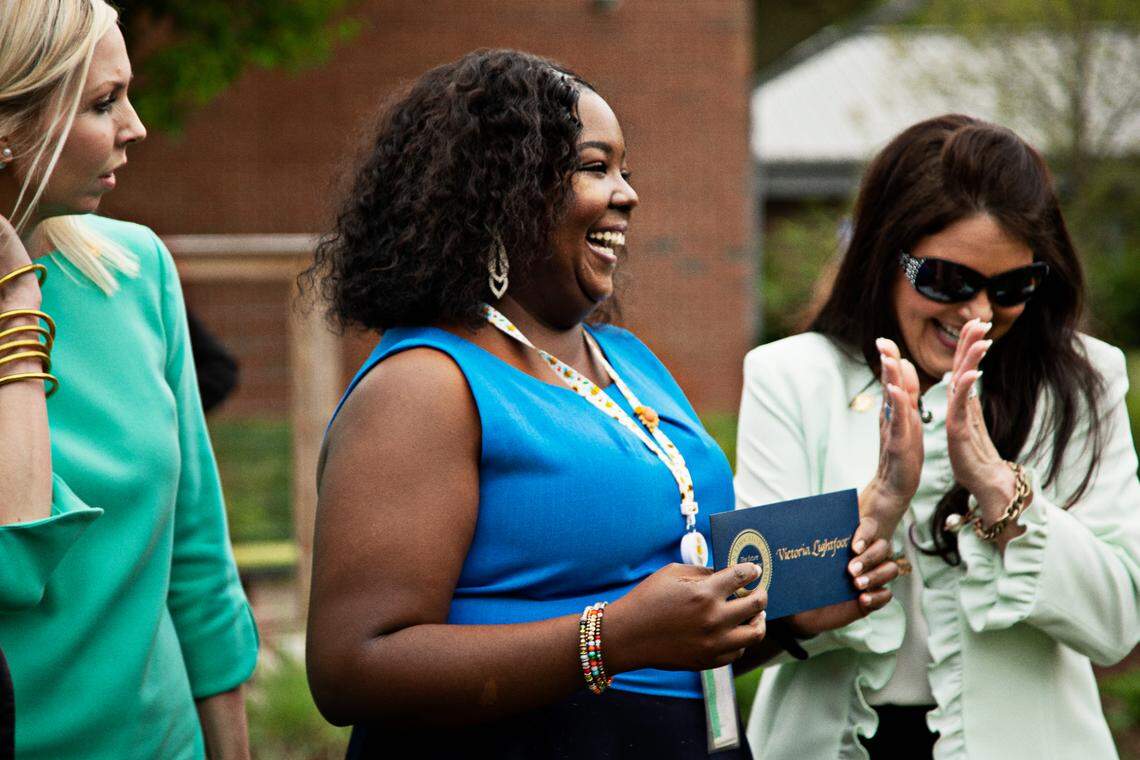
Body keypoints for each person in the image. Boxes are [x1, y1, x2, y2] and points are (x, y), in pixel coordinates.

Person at [303, 49, 903, 759]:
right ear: (502, 189)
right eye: (595, 167)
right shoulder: (426, 384)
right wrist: (609, 638)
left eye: (625, 170)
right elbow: (351, 669)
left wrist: (789, 619)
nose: (627, 195)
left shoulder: (631, 363)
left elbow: (671, 634)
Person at [735, 113, 1140, 759]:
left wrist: (1002, 493)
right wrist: (878, 508)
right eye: (947, 280)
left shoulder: (1084, 381)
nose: (976, 313)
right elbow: (752, 608)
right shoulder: (790, 377)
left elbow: (1117, 623)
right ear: (883, 256)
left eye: (1011, 287)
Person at [0, 2, 258, 758]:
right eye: (103, 102)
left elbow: (199, 557)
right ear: (8, 126)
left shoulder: (136, 269)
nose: (135, 126)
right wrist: (18, 308)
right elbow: (13, 566)